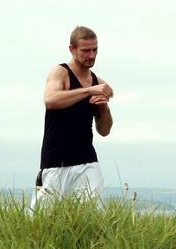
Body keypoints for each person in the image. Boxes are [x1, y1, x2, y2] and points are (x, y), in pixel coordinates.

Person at [29, 25, 114, 210]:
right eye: (85, 51)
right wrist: (89, 91)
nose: (91, 55)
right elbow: (50, 100)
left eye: (95, 50)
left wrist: (104, 107)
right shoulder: (60, 72)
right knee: (43, 221)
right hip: (55, 161)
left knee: (92, 217)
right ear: (72, 49)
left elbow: (104, 131)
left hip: (87, 161)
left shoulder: (98, 82)